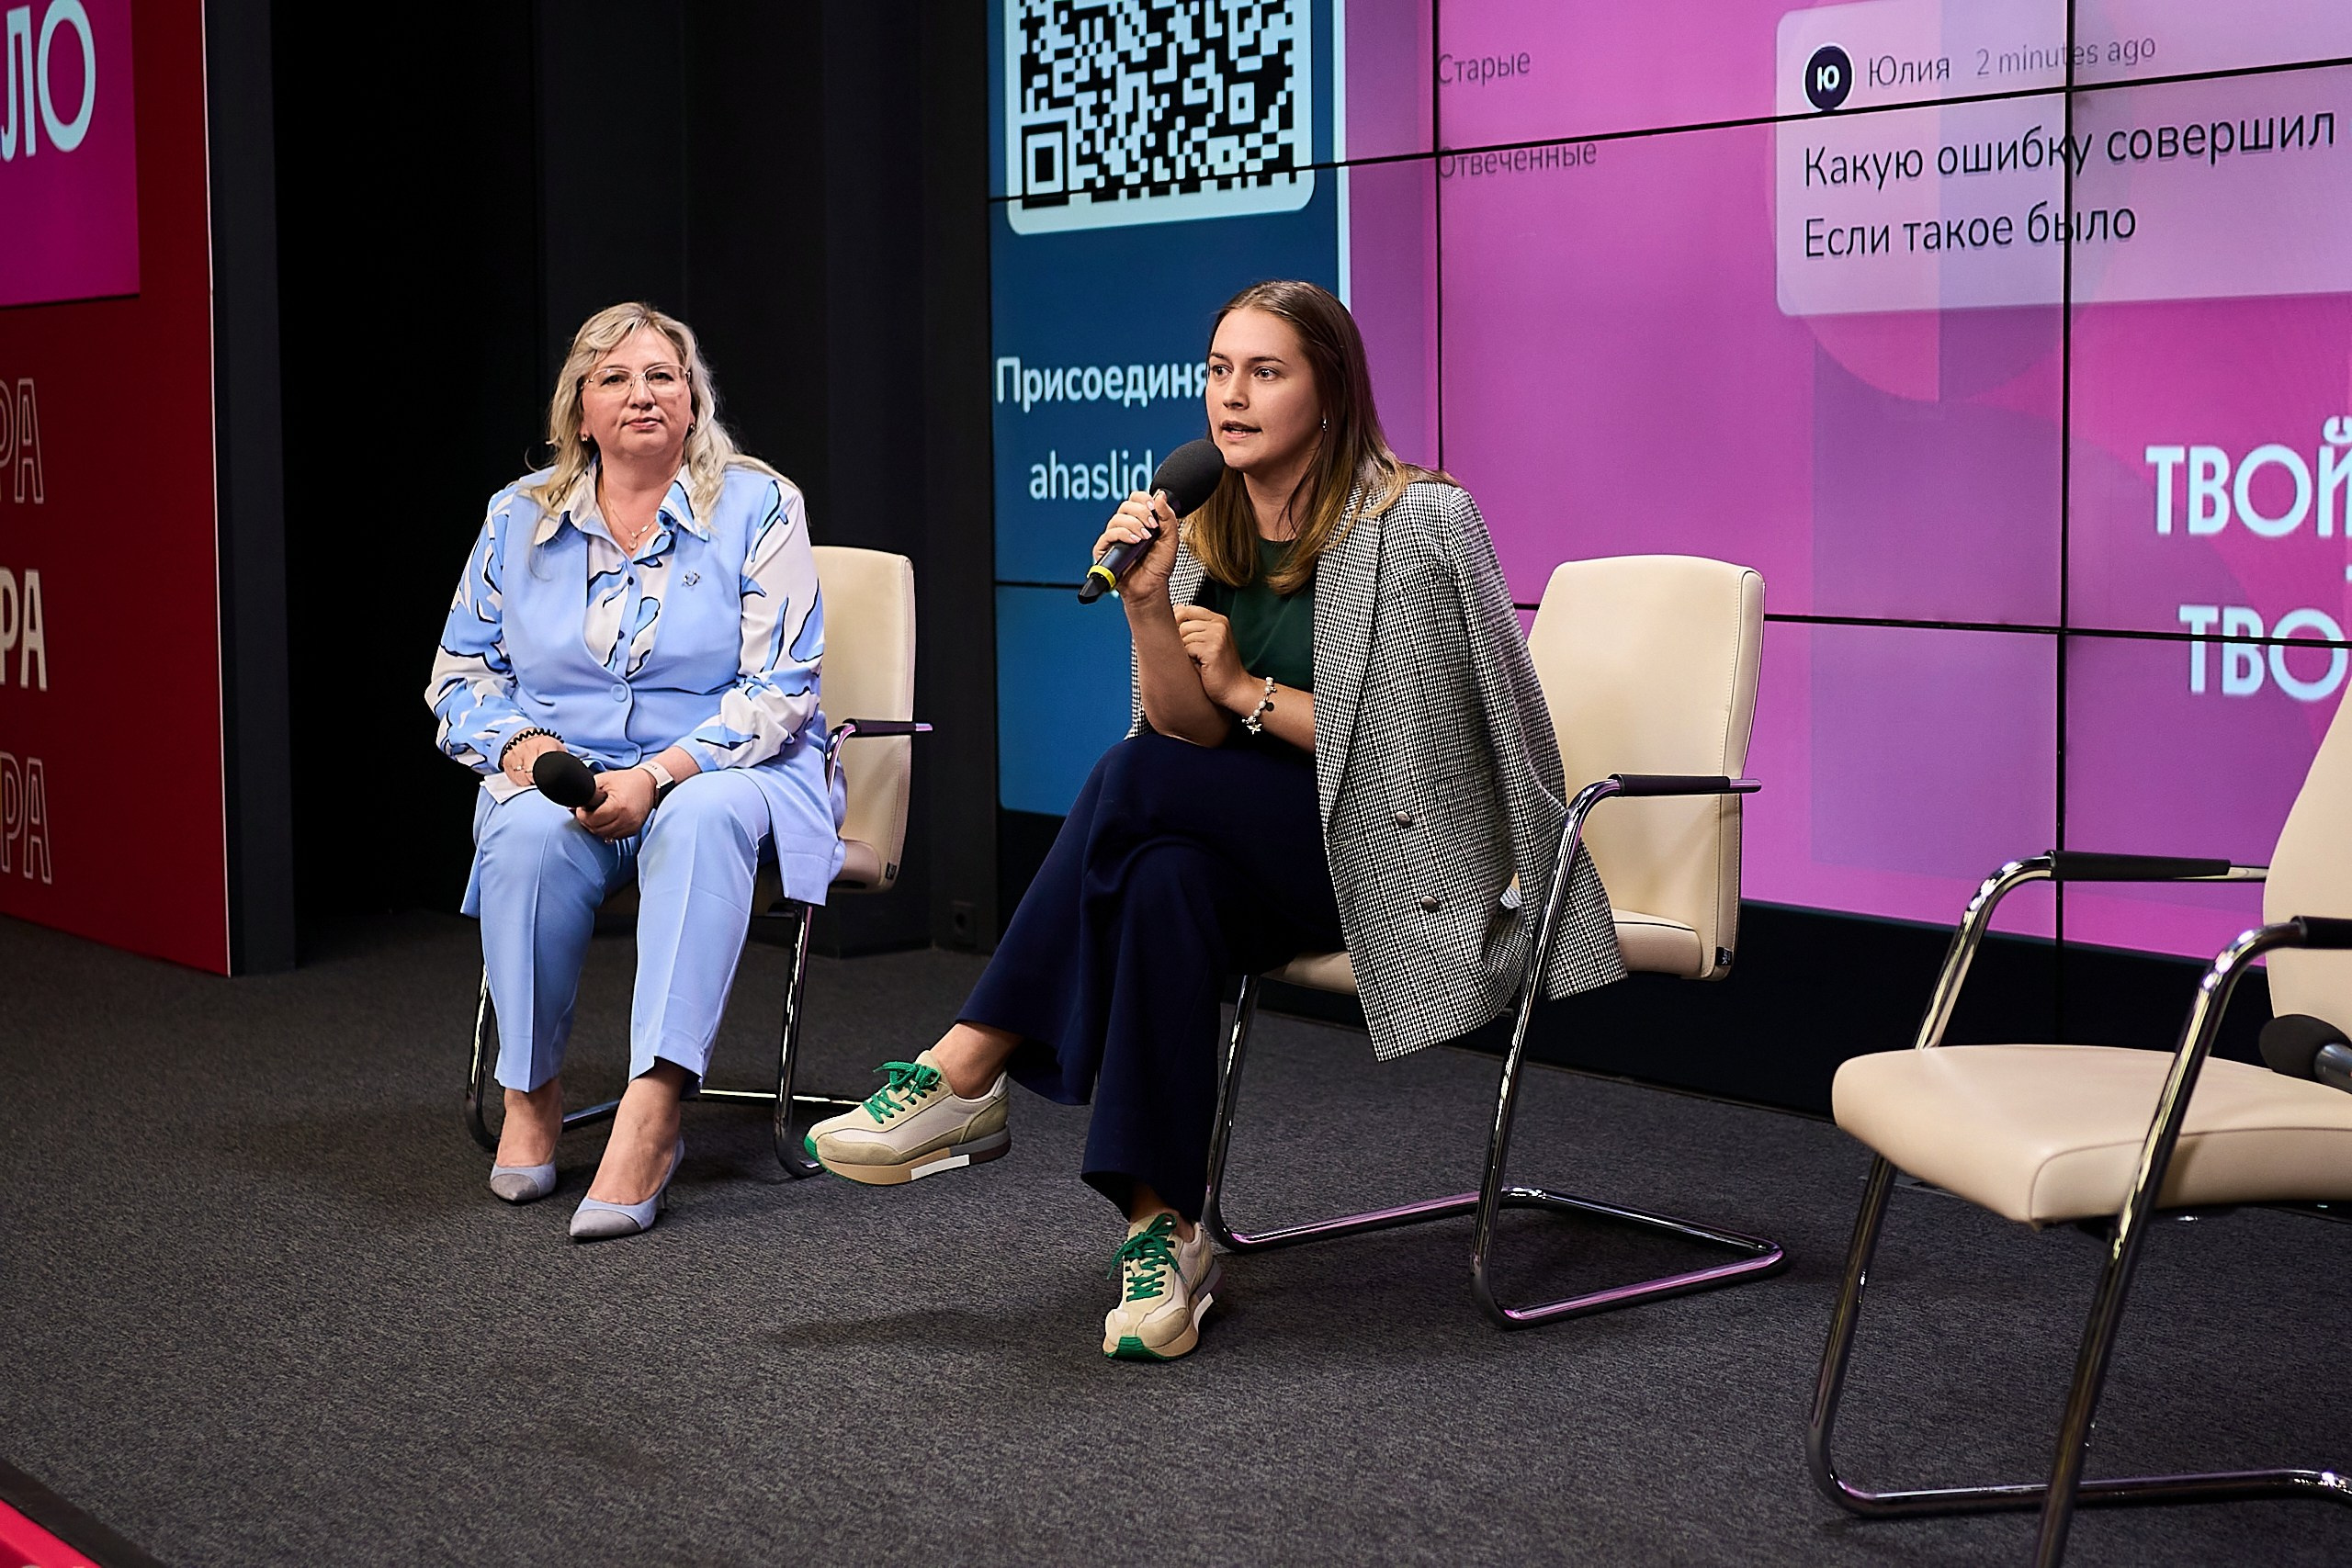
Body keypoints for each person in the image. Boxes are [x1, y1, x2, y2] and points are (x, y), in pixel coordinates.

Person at [808, 279, 1625, 1356]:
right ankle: (1166, 1233)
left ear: (1329, 389)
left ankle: (969, 1063)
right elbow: (1184, 735)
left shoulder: (1420, 522)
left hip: (1382, 852)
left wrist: (1251, 693)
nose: (1230, 399)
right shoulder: (1203, 521)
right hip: (1248, 848)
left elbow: (1415, 760)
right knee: (1160, 880)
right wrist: (1149, 605)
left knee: (1127, 780)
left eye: (1265, 372)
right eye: (1218, 371)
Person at [426, 302, 843, 1240]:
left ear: (692, 401)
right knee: (525, 836)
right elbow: (461, 676)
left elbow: (783, 688)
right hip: (568, 781)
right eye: (613, 378)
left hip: (730, 770)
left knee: (697, 821)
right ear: (579, 412)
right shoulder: (515, 520)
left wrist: (658, 773)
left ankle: (654, 1109)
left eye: (662, 375)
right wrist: (527, 754)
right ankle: (530, 1092)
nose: (641, 394)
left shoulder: (761, 504)